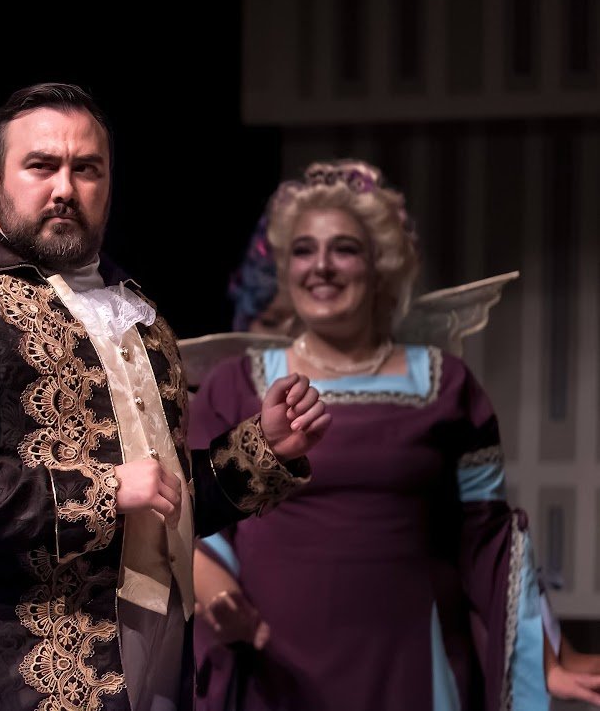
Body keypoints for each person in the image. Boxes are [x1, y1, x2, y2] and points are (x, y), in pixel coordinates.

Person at [0, 83, 329, 711]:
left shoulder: (139, 313)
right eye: (41, 165)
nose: (64, 187)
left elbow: (160, 500)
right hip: (28, 671)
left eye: (85, 168)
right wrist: (101, 490)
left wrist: (261, 453)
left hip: (160, 661)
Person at [189, 160, 600, 710]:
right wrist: (220, 598)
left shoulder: (447, 385)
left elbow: (491, 540)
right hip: (276, 667)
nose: (323, 266)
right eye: (304, 250)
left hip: (413, 666)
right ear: (285, 269)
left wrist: (546, 654)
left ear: (379, 264)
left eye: (345, 249)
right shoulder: (232, 385)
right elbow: (194, 523)